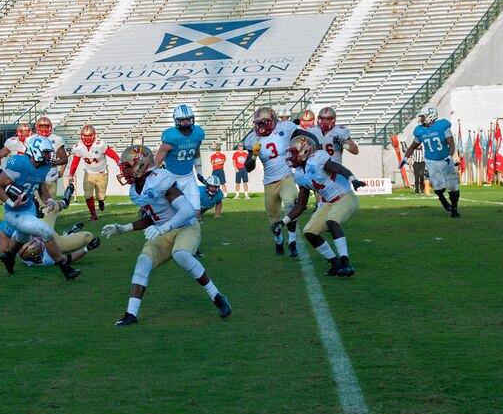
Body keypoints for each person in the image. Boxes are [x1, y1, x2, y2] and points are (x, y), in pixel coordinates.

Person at [101, 145, 231, 325]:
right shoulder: (134, 192)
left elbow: (187, 211)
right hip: (164, 231)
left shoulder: (159, 179)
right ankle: (131, 314)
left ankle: (216, 296)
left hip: (186, 227)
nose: (125, 172)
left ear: (141, 165)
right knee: (143, 261)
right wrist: (124, 228)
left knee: (181, 254)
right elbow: (153, 216)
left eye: (128, 167)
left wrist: (162, 228)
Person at [274, 135, 365, 277]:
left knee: (331, 221)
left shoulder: (318, 159)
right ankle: (335, 263)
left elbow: (339, 168)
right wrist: (282, 222)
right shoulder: (298, 174)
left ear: (305, 150)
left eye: (294, 152)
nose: (292, 156)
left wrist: (353, 179)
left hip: (345, 197)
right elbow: (301, 204)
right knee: (310, 231)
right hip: (330, 202)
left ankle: (346, 263)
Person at [0, 136, 80, 280]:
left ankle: (8, 256)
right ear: (36, 151)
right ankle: (65, 268)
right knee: (46, 232)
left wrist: (49, 200)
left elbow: (43, 191)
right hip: (14, 213)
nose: (49, 156)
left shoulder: (42, 167)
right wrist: (11, 202)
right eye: (46, 153)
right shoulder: (20, 163)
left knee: (21, 237)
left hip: (29, 209)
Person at [244, 106, 306, 257]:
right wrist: (253, 156)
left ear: (272, 121)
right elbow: (248, 168)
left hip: (286, 176)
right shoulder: (253, 138)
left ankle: (292, 241)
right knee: (273, 216)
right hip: (269, 181)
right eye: (258, 124)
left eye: (264, 123)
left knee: (290, 203)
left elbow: (305, 136)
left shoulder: (285, 128)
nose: (261, 127)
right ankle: (279, 241)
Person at [399, 105, 462, 218]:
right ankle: (442, 198)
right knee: (438, 187)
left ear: (430, 116)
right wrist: (404, 158)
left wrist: (450, 156)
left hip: (446, 159)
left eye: (423, 117)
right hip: (432, 161)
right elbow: (413, 147)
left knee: (453, 186)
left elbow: (451, 144)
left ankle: (454, 210)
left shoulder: (442, 126)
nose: (421, 119)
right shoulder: (421, 130)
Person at [152, 104, 205, 217]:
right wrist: (153, 177)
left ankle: (194, 233)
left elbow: (196, 153)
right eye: (182, 120)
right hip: (172, 178)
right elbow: (157, 161)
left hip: (189, 176)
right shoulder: (171, 137)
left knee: (196, 211)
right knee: (172, 212)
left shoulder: (198, 134)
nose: (186, 122)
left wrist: (199, 172)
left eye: (188, 119)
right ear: (176, 121)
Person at [66, 124, 120, 220]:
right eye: (85, 136)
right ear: (81, 136)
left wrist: (119, 163)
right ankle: (93, 214)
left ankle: (100, 201)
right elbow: (75, 162)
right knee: (87, 194)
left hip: (102, 173)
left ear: (94, 135)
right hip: (89, 173)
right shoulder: (79, 147)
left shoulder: (100, 145)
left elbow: (114, 155)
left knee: (101, 196)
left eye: (89, 136)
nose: (87, 138)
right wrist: (71, 174)